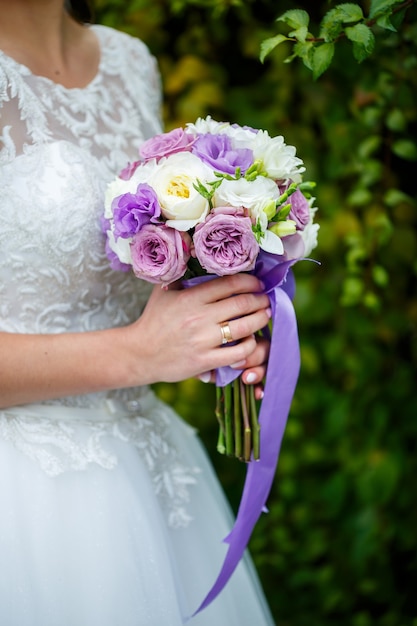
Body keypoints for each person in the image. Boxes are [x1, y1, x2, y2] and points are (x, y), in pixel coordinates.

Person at [0, 1, 275, 624]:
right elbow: (142, 343)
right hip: (20, 499)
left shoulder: (130, 61)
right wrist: (140, 352)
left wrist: (218, 326)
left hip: (150, 473)